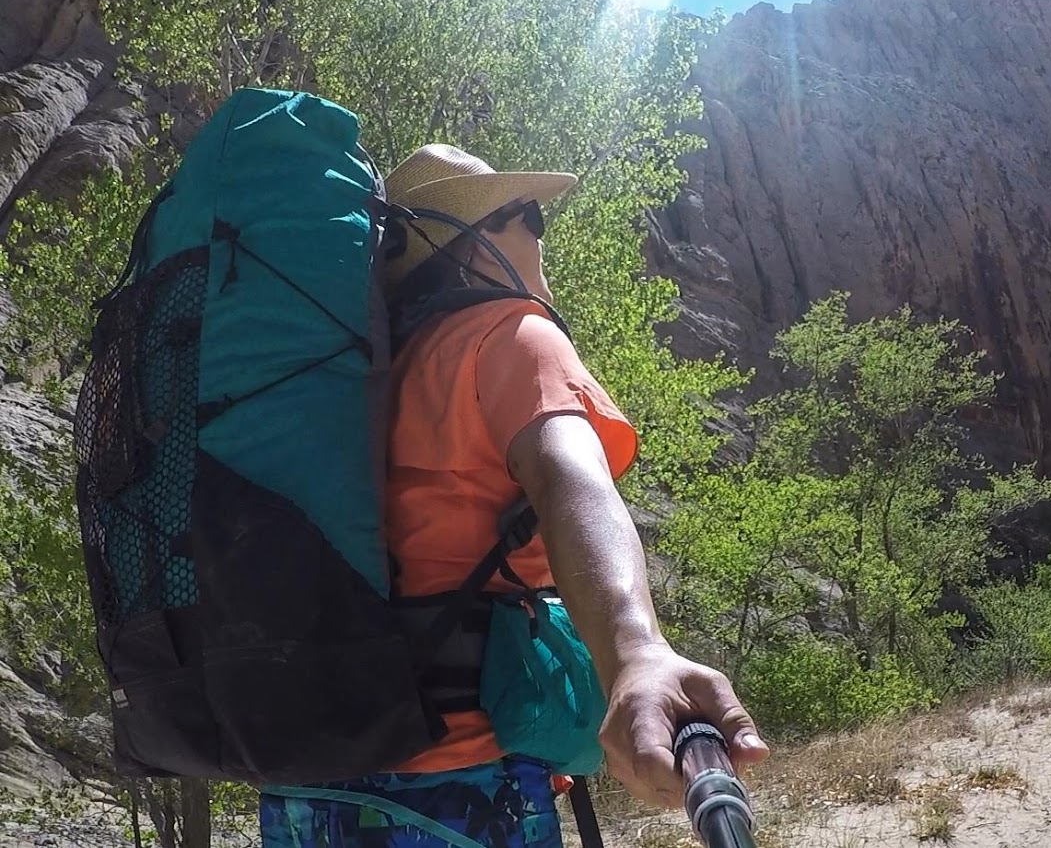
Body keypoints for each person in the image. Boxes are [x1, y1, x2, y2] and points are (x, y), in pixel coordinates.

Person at [259, 144, 769, 847]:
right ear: (475, 239)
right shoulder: (510, 335)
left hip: (304, 790)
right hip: (455, 786)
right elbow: (570, 480)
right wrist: (637, 652)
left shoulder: (351, 379)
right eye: (526, 214)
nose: (539, 232)